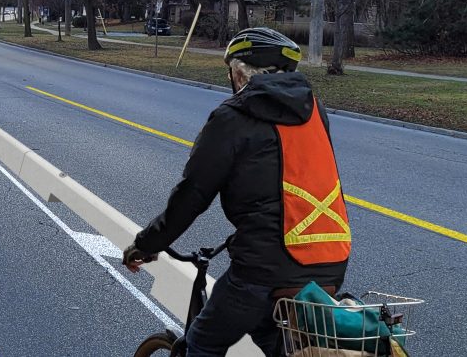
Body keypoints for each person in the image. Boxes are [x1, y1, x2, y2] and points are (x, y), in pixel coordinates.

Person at [123, 27, 351, 357]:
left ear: (241, 74)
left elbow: (193, 195)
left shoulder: (230, 118)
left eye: (230, 70)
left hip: (264, 271)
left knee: (203, 341)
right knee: (274, 337)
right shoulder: (315, 112)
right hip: (331, 262)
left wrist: (146, 244)